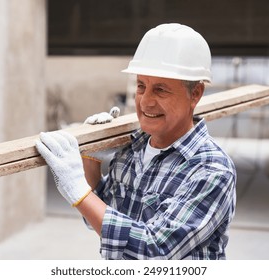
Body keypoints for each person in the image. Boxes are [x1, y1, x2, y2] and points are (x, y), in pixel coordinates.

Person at [36, 23, 236, 260]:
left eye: (160, 90)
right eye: (141, 86)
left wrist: (78, 191)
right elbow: (100, 219)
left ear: (195, 94)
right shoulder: (133, 149)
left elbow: (154, 251)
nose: (145, 102)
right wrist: (90, 156)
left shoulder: (211, 170)